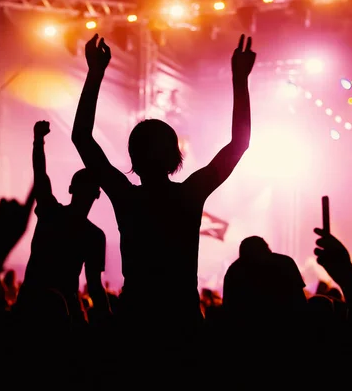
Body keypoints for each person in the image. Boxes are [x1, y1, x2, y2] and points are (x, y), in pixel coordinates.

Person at [71, 34, 256, 326]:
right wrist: (240, 79)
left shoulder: (127, 197)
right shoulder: (190, 194)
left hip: (135, 319)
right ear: (175, 157)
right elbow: (239, 143)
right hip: (182, 319)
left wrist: (95, 73)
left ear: (134, 156)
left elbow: (81, 137)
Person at [17, 120, 109, 324]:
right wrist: (107, 321)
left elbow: (40, 176)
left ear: (71, 189)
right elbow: (94, 286)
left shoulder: (51, 213)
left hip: (31, 305)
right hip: (65, 311)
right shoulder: (93, 236)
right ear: (97, 195)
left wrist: (38, 141)